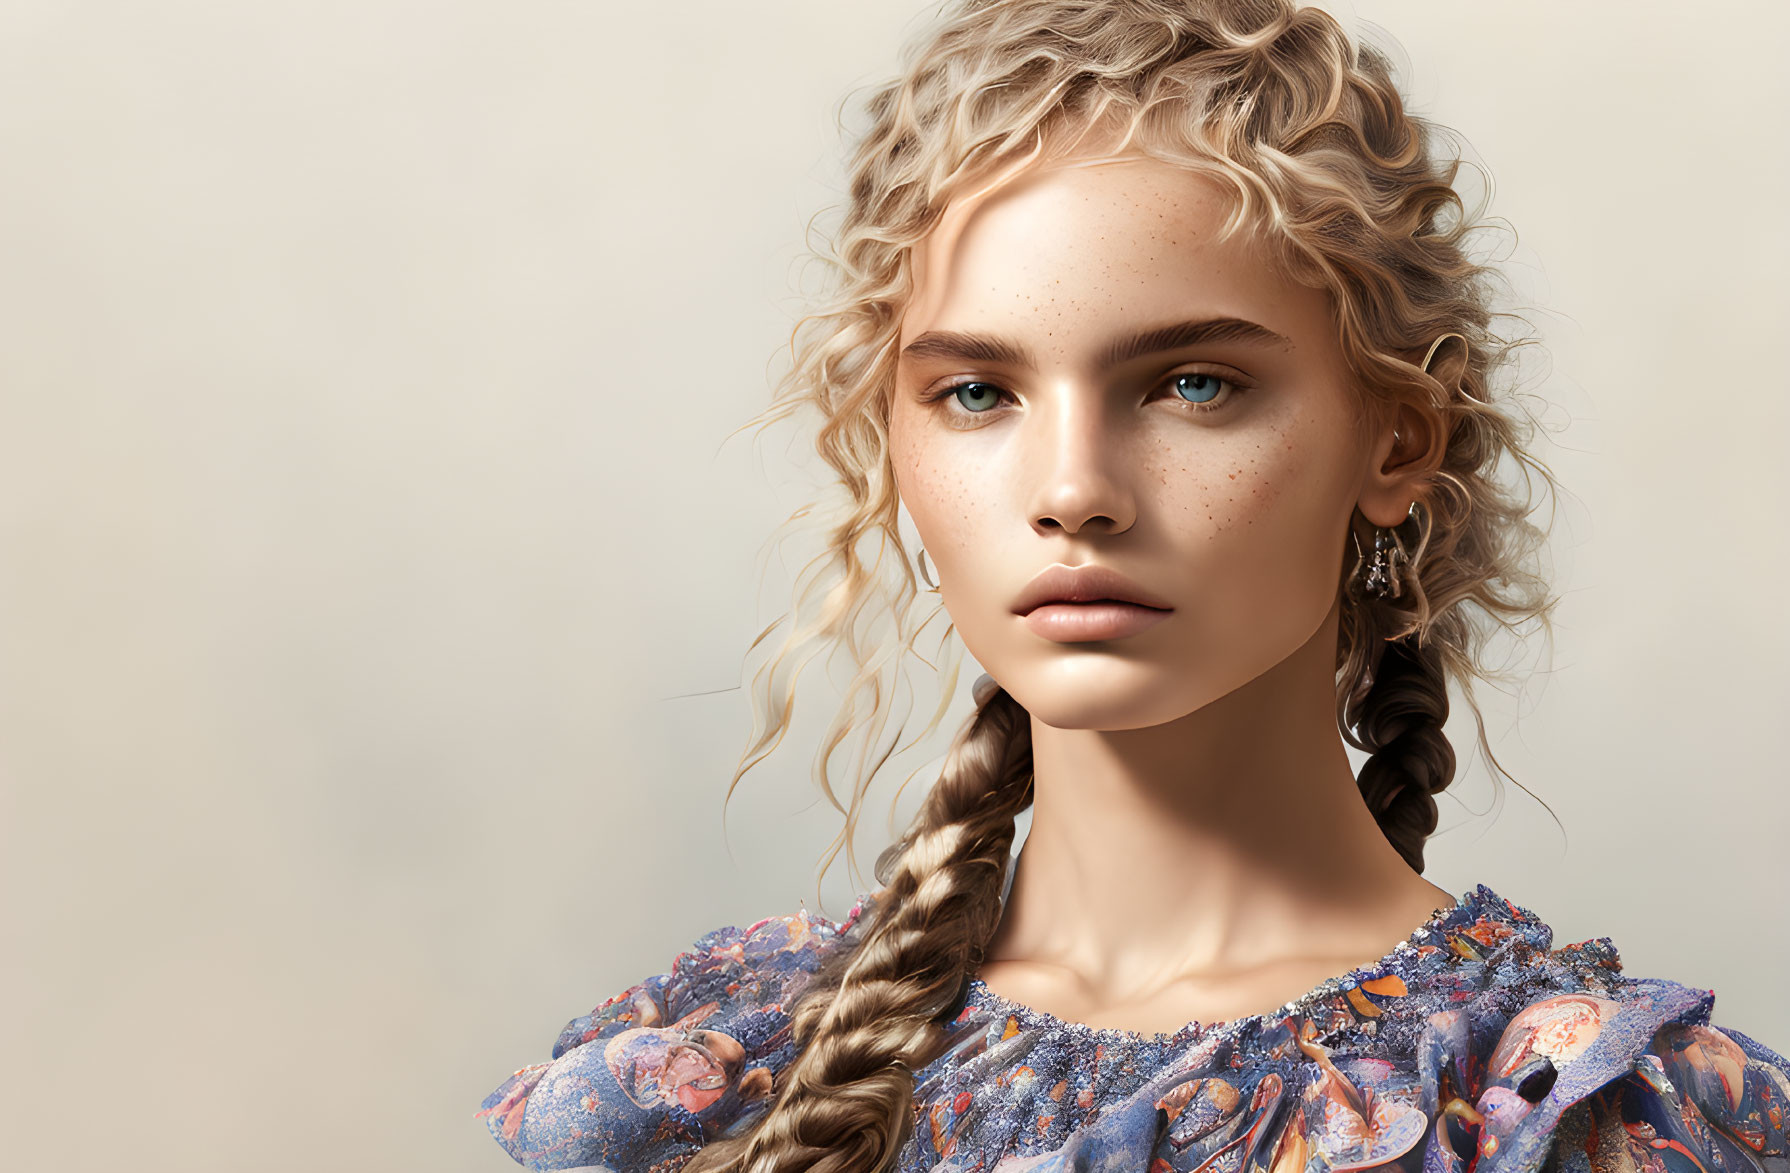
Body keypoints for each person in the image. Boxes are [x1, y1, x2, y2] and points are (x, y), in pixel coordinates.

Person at [478, 2, 1789, 1171]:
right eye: (976, 392)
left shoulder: (1573, 1107)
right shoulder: (717, 1078)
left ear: (1395, 438)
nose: (1072, 488)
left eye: (1191, 383)